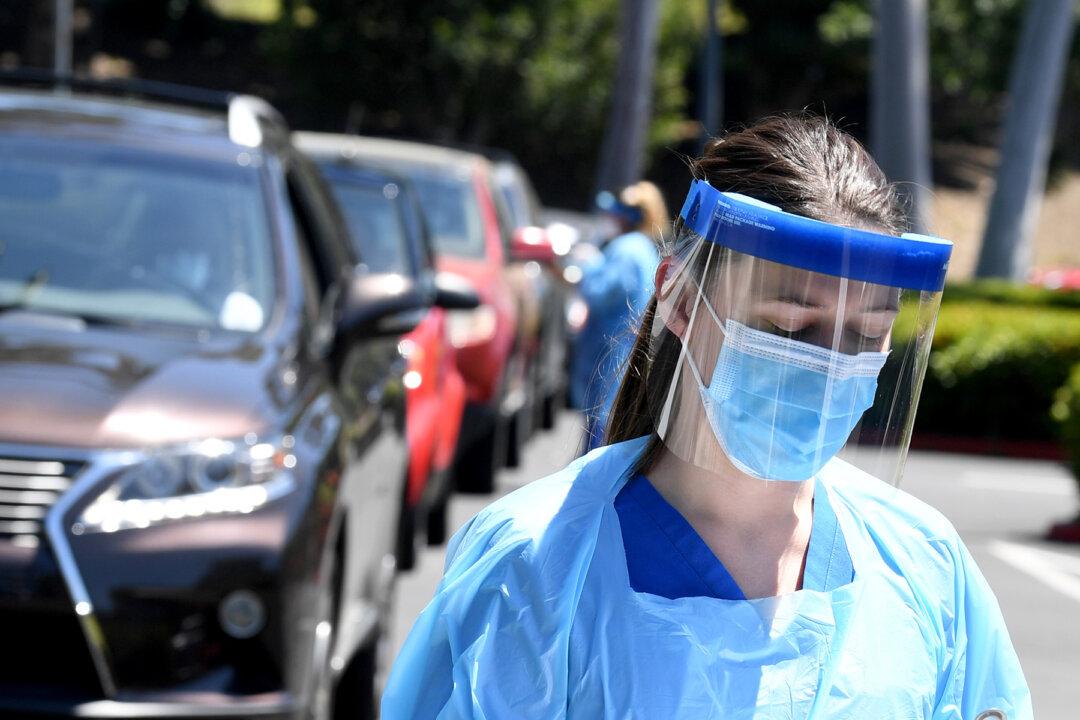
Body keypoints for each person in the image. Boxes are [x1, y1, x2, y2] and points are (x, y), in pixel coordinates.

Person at [381, 116, 1032, 719]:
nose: (830, 365)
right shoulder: (538, 566)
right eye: (789, 325)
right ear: (681, 299)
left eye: (865, 336)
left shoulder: (924, 565)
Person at [570, 181, 667, 452]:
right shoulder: (644, 249)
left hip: (610, 355)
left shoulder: (627, 250)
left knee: (597, 436)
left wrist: (589, 266)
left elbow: (601, 294)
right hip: (621, 355)